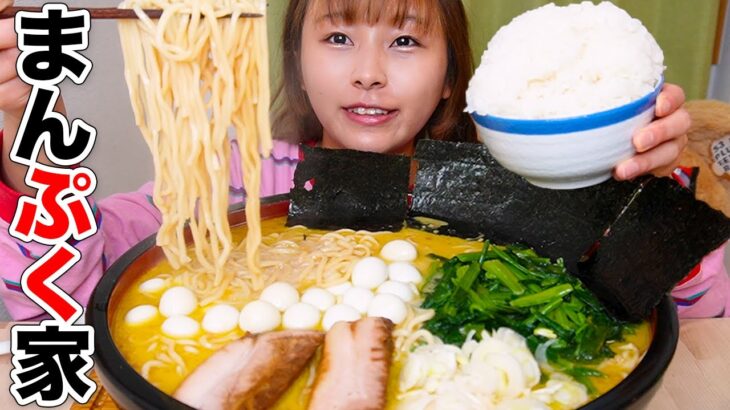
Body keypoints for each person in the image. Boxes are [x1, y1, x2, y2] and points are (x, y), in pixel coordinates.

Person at [0, 0, 718, 320]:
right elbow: (47, 300)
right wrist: (30, 144)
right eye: (339, 37)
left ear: (450, 74)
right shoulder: (236, 177)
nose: (369, 72)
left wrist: (645, 200)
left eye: (405, 41)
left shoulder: (517, 195)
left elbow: (707, 313)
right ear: (298, 61)